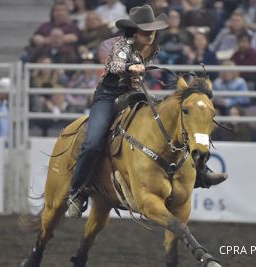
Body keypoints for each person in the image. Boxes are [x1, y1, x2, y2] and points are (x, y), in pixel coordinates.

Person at [67, 5, 227, 218]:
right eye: (145, 31)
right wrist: (129, 68)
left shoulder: (154, 47)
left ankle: (200, 172)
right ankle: (76, 191)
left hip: (135, 93)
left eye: (152, 31)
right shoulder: (123, 45)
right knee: (93, 141)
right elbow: (114, 65)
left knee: (171, 121)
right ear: (134, 32)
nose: (150, 35)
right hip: (108, 95)